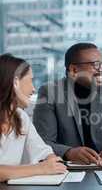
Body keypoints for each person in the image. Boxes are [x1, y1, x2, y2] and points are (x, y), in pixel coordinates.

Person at [33, 43, 102, 165]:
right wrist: (69, 152)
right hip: (64, 172)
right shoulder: (49, 93)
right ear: (74, 70)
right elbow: (42, 143)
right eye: (95, 65)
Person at [0, 54, 66, 182]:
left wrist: (51, 159)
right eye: (30, 80)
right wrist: (41, 169)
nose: (33, 89)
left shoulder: (20, 117)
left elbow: (41, 150)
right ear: (15, 82)